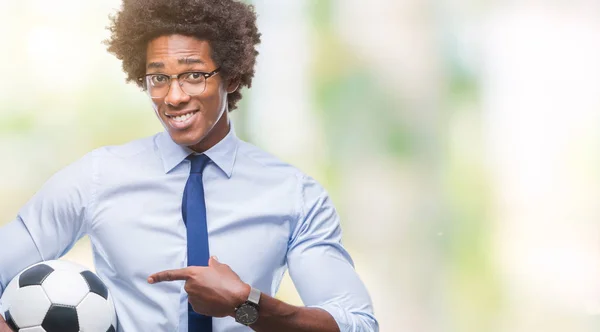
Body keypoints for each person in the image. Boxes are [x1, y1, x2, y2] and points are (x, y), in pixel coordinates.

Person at [0, 0, 378, 331]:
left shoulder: (294, 195)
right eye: (159, 78)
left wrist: (245, 306)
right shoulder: (97, 177)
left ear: (229, 76)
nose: (174, 96)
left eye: (194, 75)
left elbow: (356, 324)